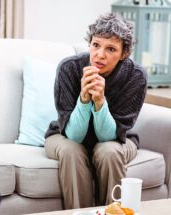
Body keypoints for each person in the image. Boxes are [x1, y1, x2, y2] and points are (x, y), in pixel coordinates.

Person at [44, 13, 147, 209]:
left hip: (117, 137)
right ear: (89, 43)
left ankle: (114, 212)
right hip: (64, 134)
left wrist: (100, 102)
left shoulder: (135, 77)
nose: (100, 55)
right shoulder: (69, 68)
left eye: (111, 49)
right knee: (70, 150)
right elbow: (73, 135)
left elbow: (108, 136)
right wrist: (84, 99)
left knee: (108, 151)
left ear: (124, 54)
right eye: (96, 45)